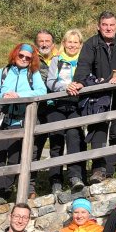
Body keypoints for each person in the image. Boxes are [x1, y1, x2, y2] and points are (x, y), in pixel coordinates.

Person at [69, 11, 116, 183]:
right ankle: (98, 169)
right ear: (98, 26)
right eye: (105, 25)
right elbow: (84, 65)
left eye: (111, 25)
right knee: (98, 131)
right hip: (98, 96)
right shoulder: (91, 44)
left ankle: (109, 168)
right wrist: (79, 81)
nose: (108, 28)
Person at [0, 43, 48, 206]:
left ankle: (6, 190)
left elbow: (42, 92)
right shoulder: (3, 72)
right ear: (15, 55)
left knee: (14, 158)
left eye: (28, 58)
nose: (24, 59)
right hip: (2, 119)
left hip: (21, 121)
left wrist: (19, 95)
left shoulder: (33, 74)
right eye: (21, 56)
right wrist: (3, 95)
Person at [46, 29, 87, 194]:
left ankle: (74, 177)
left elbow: (87, 79)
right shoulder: (57, 60)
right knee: (56, 140)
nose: (72, 45)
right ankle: (55, 181)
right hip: (57, 103)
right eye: (69, 42)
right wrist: (65, 87)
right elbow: (50, 81)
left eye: (75, 42)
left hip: (76, 104)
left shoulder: (84, 61)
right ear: (64, 43)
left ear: (80, 45)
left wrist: (80, 85)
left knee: (74, 136)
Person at [33, 30, 57, 168]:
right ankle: (29, 185)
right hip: (38, 108)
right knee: (35, 144)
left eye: (47, 41)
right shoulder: (31, 60)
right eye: (41, 41)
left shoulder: (61, 58)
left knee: (56, 142)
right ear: (36, 44)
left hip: (56, 107)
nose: (44, 44)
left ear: (53, 44)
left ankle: (56, 180)